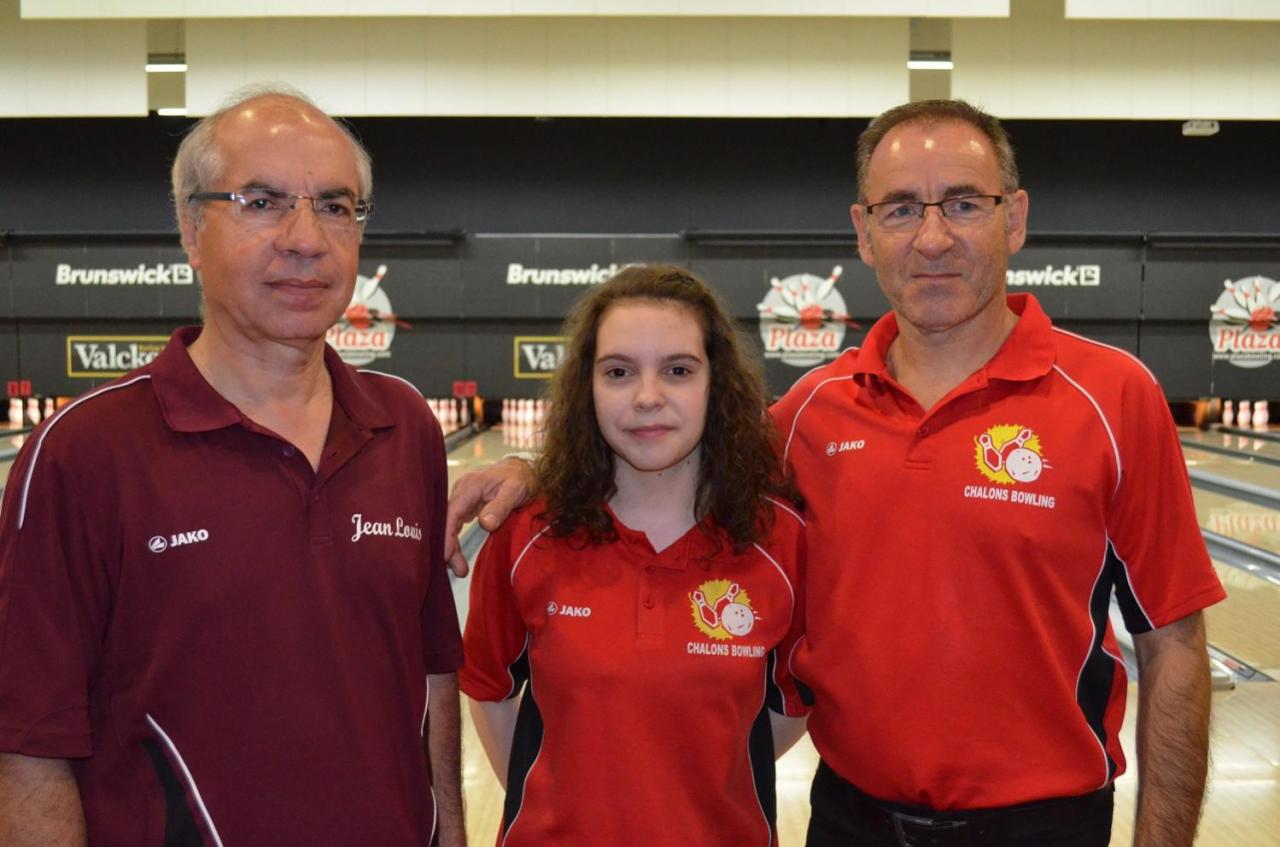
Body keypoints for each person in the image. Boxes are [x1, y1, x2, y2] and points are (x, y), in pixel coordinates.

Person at [445, 100, 1225, 847]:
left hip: (1046, 824)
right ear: (862, 231)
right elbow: (655, 445)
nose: (931, 238)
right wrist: (527, 467)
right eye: (899, 208)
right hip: (852, 819)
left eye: (962, 204)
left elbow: (1176, 645)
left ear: (1014, 216)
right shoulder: (809, 416)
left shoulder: (1116, 397)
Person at [0, 87, 465, 846]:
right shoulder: (85, 451)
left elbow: (433, 676)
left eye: (337, 206)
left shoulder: (406, 427)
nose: (306, 237)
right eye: (261, 201)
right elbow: (27, 742)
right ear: (190, 228)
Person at [460, 265, 809, 845]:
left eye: (677, 370)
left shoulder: (782, 543)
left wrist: (692, 784)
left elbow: (791, 706)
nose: (649, 397)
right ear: (587, 387)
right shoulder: (524, 534)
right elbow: (490, 692)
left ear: (714, 383)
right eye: (619, 372)